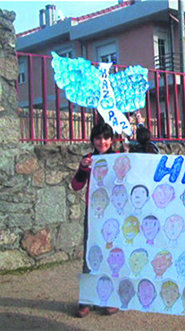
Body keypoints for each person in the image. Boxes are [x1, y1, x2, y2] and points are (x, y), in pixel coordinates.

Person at [71, 123, 119, 318]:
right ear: (93, 141)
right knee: (90, 257)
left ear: (112, 140)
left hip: (116, 216)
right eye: (98, 138)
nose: (102, 142)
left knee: (114, 257)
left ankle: (110, 299)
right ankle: (87, 300)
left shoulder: (120, 159)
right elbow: (76, 186)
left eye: (106, 138)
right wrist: (83, 169)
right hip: (94, 216)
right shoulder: (89, 160)